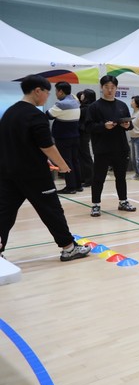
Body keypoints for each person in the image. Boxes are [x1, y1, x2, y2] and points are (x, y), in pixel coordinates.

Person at [0, 75, 91, 261]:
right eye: (47, 92)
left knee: (4, 212)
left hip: (8, 172)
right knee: (51, 210)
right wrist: (63, 165)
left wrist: (44, 160)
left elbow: (22, 144)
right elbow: (47, 146)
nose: (48, 96)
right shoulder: (35, 115)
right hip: (34, 175)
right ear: (37, 91)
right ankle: (69, 248)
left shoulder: (10, 113)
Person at [86, 75, 137, 217]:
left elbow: (130, 125)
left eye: (112, 87)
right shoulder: (94, 107)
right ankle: (95, 204)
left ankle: (123, 201)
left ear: (116, 88)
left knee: (121, 177)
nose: (110, 90)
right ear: (101, 88)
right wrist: (103, 126)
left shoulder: (122, 105)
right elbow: (88, 127)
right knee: (98, 178)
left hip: (120, 147)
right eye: (107, 87)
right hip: (102, 148)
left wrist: (127, 125)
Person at [46, 81, 82, 194]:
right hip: (75, 136)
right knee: (75, 160)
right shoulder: (75, 101)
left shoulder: (61, 104)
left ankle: (70, 187)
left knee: (66, 162)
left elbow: (49, 115)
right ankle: (78, 185)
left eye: (56, 91)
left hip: (64, 137)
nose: (56, 93)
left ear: (61, 91)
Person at [77, 89, 96, 187]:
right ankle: (84, 177)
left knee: (85, 156)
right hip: (83, 133)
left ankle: (90, 179)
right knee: (82, 156)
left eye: (83, 94)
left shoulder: (87, 108)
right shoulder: (86, 106)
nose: (81, 95)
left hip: (84, 133)